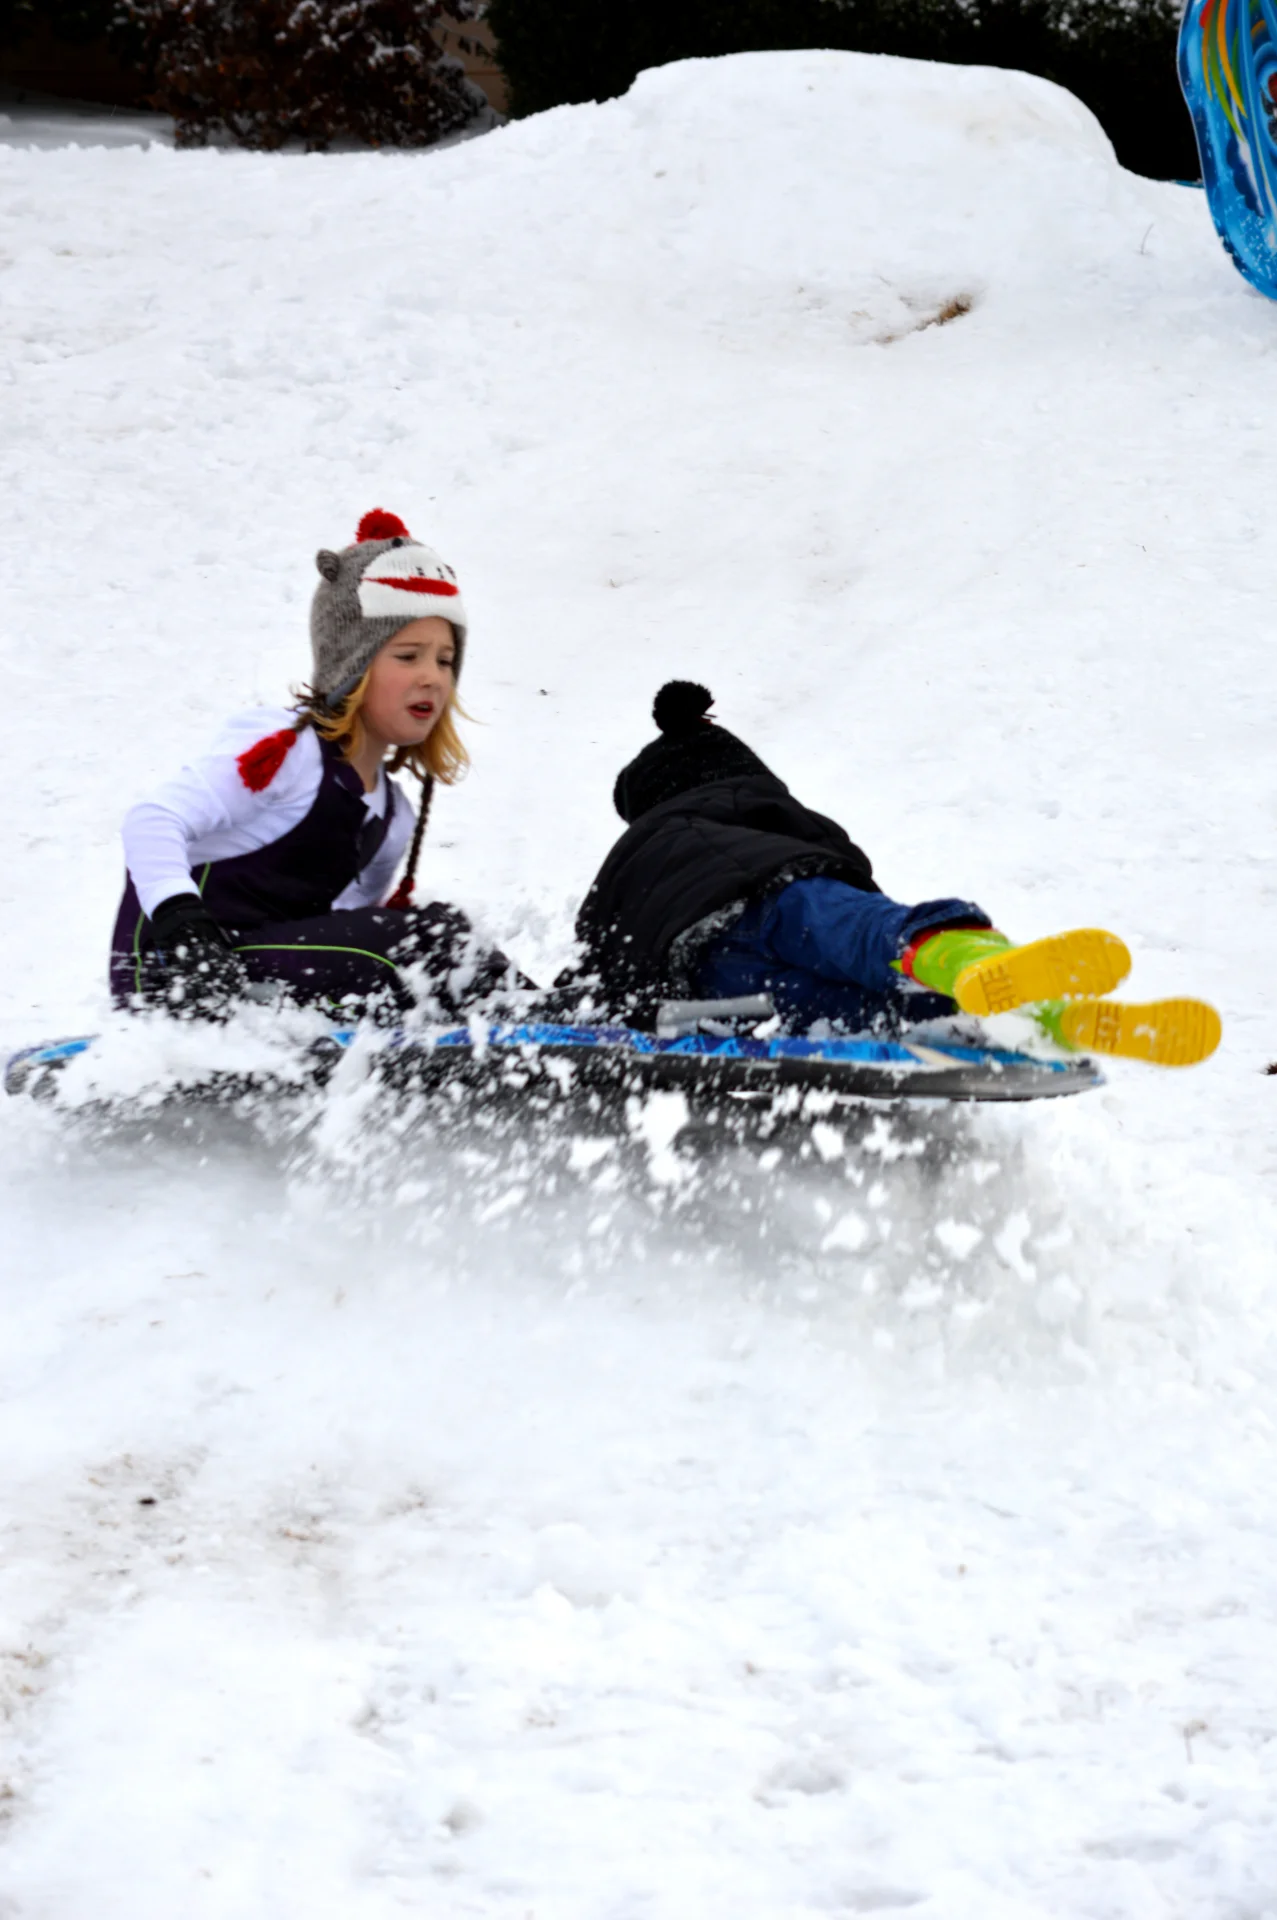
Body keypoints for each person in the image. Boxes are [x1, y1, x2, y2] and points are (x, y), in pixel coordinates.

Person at [572, 682, 1221, 1067]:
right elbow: (851, 883)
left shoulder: (646, 843)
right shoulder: (776, 815)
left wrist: (583, 1009)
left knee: (844, 1017)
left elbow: (600, 946)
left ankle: (1016, 1014)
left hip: (711, 985)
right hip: (793, 905)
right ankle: (1016, 995)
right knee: (883, 952)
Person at [110, 509, 526, 1022]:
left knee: (437, 934)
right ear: (352, 665)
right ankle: (527, 1021)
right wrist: (184, 924)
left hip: (267, 977)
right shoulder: (286, 752)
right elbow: (152, 820)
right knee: (415, 939)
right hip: (180, 973)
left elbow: (341, 930)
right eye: (408, 656)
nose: (433, 677)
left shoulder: (393, 815)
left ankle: (537, 1016)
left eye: (444, 661)